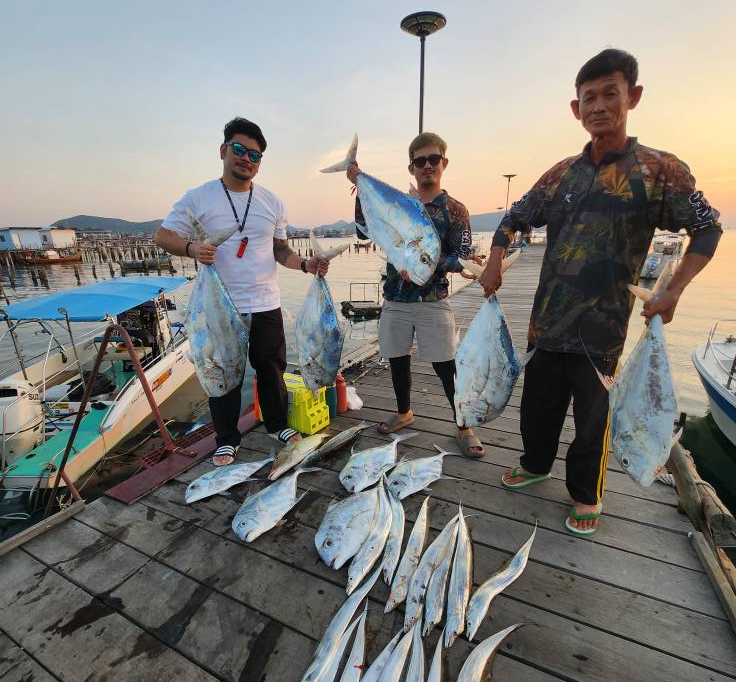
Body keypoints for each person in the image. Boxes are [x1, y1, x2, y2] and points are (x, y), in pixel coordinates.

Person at [479, 48, 722, 535]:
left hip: (605, 329)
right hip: (546, 322)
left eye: (610, 94)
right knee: (539, 405)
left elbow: (708, 228)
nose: (598, 106)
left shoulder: (659, 170)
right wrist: (493, 263)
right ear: (576, 109)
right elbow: (513, 218)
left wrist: (672, 291)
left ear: (632, 97)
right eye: (588, 98)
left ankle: (585, 492)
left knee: (593, 418)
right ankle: (535, 463)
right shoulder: (561, 173)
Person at [156, 117, 329, 465]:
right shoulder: (198, 198)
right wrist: (192, 249)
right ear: (223, 150)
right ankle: (227, 438)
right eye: (239, 149)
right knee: (223, 369)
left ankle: (276, 425)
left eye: (255, 154)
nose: (246, 158)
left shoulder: (273, 203)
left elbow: (280, 250)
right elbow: (163, 236)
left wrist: (305, 265)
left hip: (266, 302)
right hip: (220, 307)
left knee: (271, 368)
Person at [347, 132, 484, 458]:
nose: (427, 166)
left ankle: (464, 424)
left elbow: (462, 256)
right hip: (394, 297)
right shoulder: (400, 203)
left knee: (445, 365)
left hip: (432, 300)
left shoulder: (454, 210)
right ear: (411, 167)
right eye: (420, 161)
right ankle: (405, 411)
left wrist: (426, 264)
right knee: (397, 358)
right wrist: (359, 187)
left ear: (443, 163)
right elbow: (363, 230)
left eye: (433, 159)